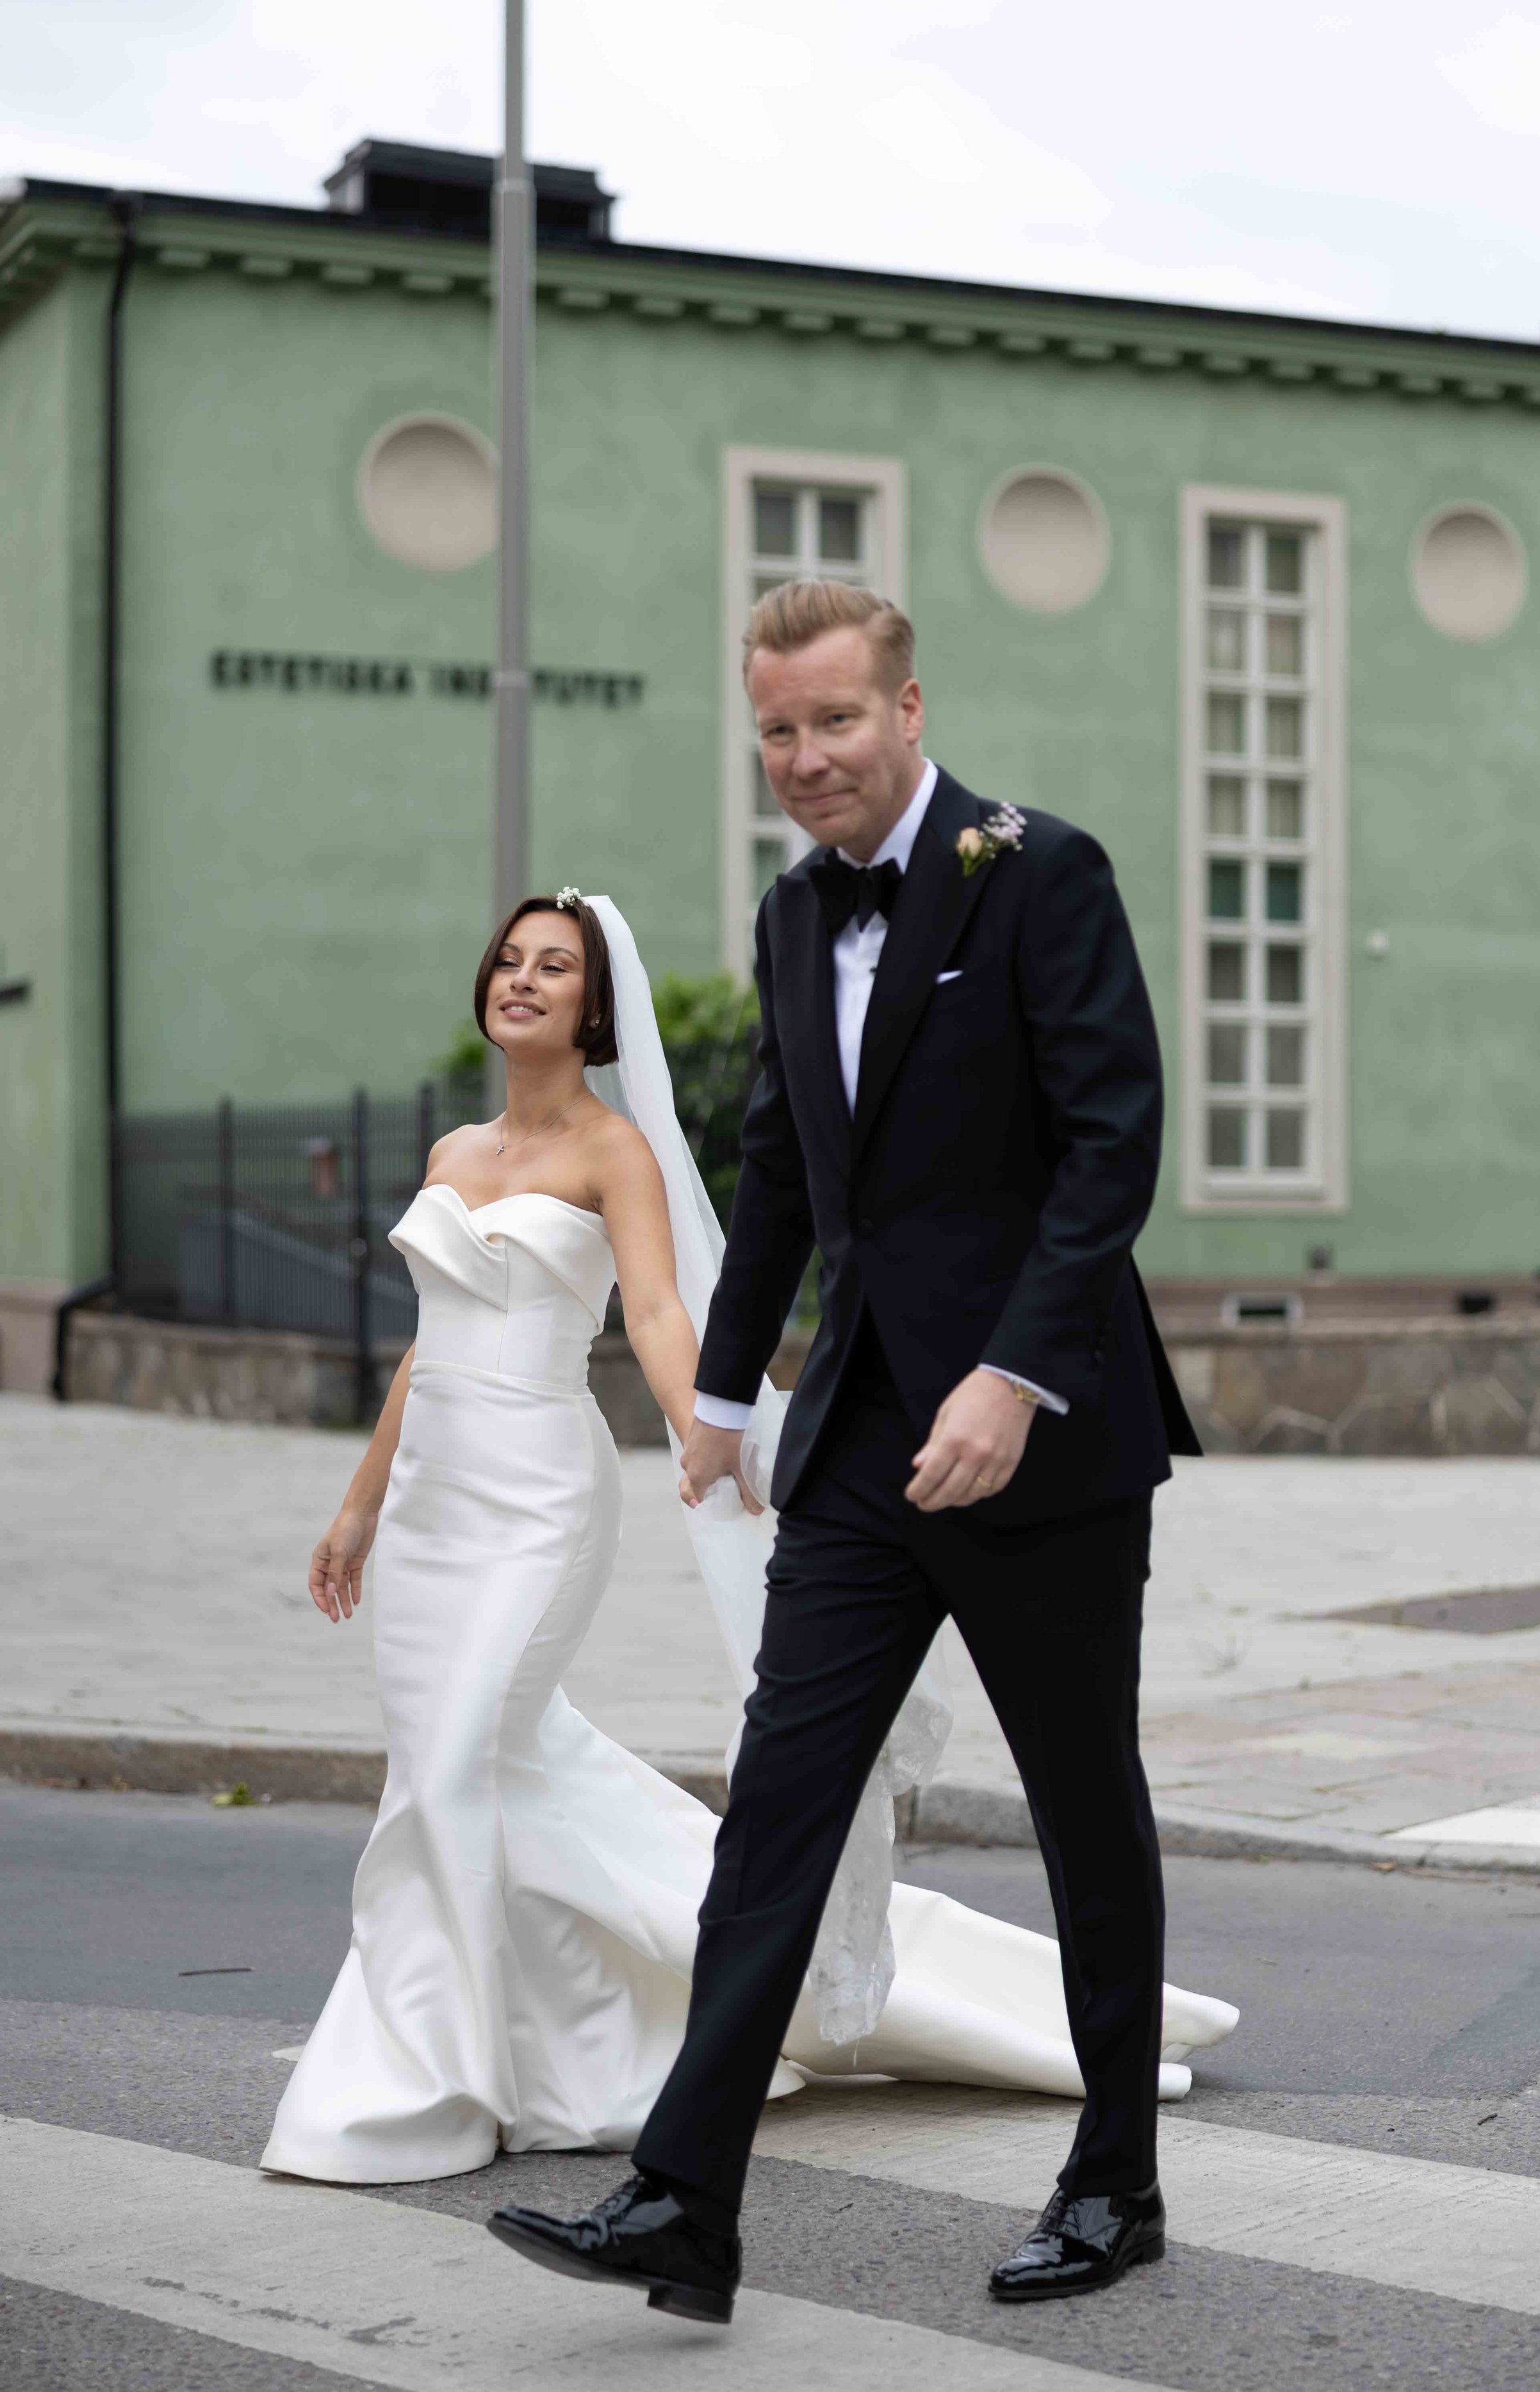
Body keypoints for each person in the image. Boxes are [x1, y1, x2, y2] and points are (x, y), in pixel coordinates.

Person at [261, 877, 1233, 2200]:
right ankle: (518, 2038)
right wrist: (360, 1505)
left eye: (555, 966)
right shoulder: (450, 1154)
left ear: (595, 1009)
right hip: (434, 1501)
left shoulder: (615, 1151)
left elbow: (660, 1314)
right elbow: (428, 1351)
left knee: (466, 1755)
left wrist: (710, 1434)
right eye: (510, 960)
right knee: (454, 1769)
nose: (523, 979)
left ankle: (433, 2069)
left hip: (539, 1501)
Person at [487, 582, 1206, 2322]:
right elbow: (783, 1163)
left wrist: (1013, 1375)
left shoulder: (1041, 870)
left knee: (1080, 1806)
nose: (804, 757)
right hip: (862, 1440)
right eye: (776, 730)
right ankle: (683, 2197)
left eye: (832, 720)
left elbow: (1111, 1145)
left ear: (904, 708)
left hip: (1043, 1438)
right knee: (779, 1806)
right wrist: (724, 1395)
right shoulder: (794, 910)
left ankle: (1113, 2181)